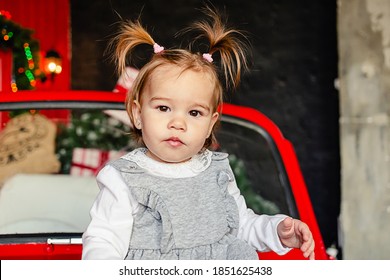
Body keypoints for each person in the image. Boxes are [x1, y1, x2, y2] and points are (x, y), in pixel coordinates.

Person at [82, 6, 315, 260]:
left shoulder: (217, 172)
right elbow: (104, 240)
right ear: (138, 114)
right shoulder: (124, 179)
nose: (178, 123)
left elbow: (241, 225)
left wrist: (276, 231)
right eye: (163, 108)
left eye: (194, 113)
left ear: (210, 124)